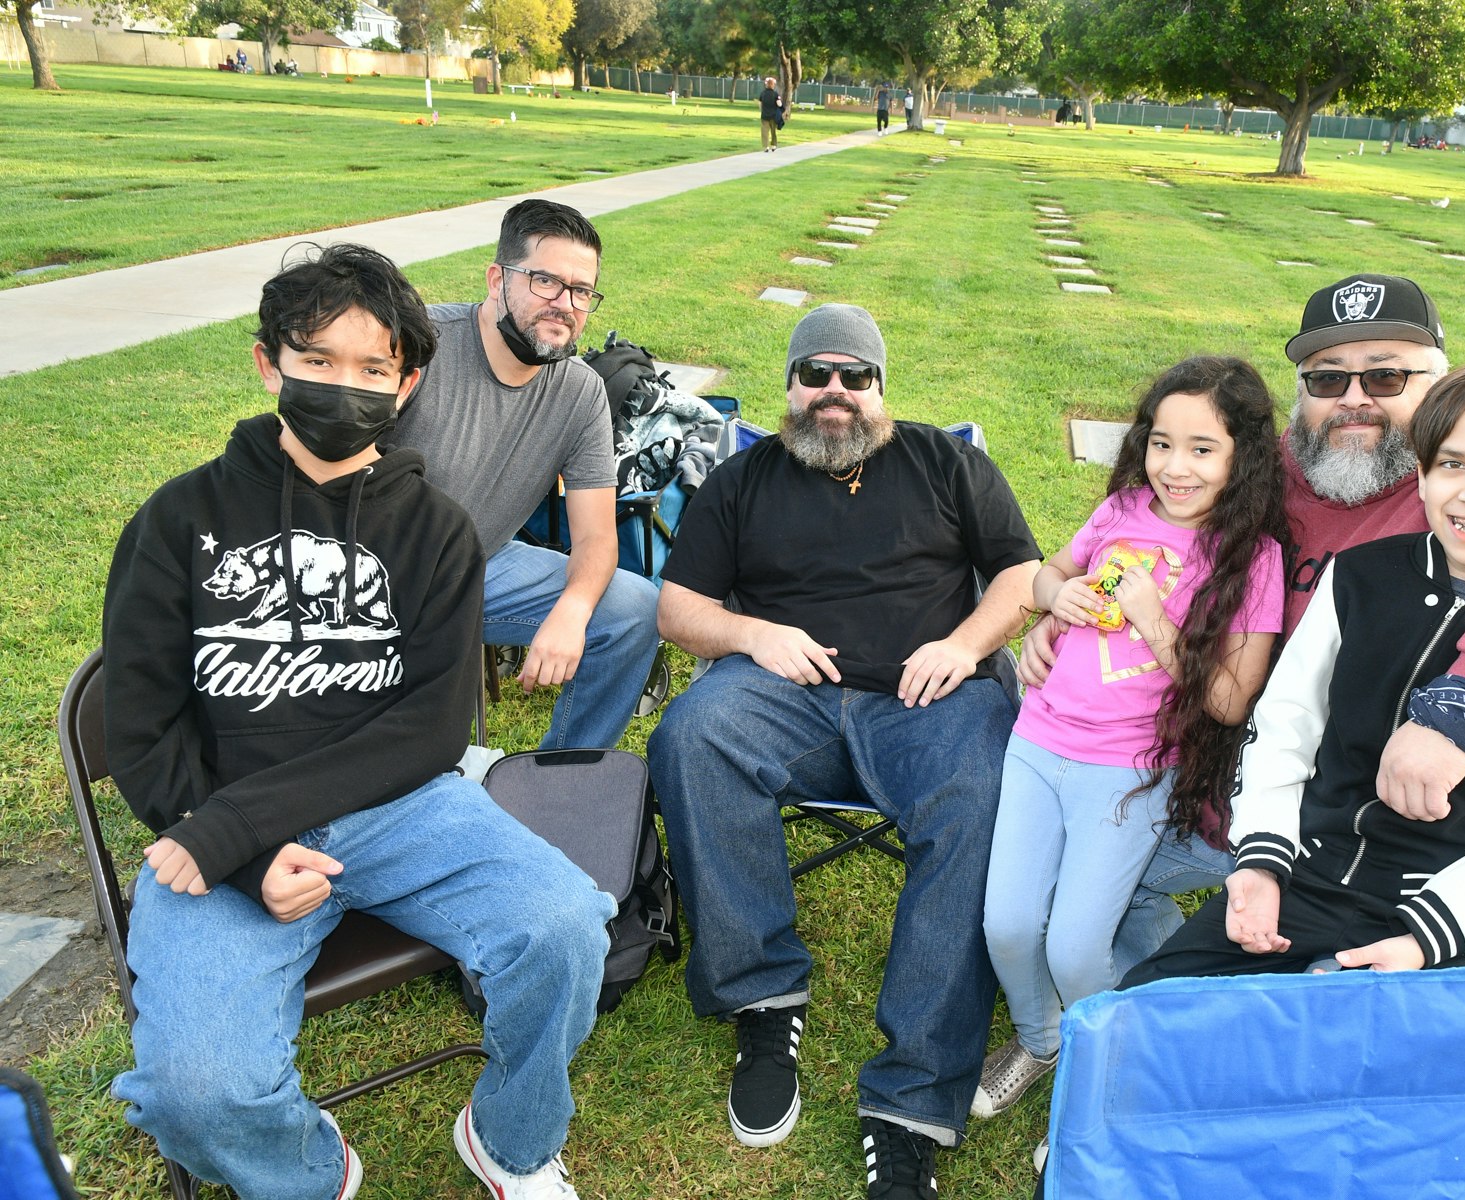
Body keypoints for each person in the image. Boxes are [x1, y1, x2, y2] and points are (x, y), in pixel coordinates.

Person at [102, 243, 612, 1200]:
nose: (347, 387)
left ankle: (510, 1140)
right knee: (194, 1094)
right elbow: (138, 721)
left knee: (566, 927)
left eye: (374, 369)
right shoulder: (177, 520)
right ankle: (307, 1169)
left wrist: (238, 831)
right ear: (268, 364)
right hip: (221, 813)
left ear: (407, 381)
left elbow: (428, 732)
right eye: (318, 361)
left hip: (400, 806)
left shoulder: (435, 532)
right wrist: (245, 848)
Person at [1019, 274, 1465, 968]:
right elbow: (1115, 547)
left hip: (1362, 836)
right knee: (1048, 886)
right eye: (1327, 379)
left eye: (1388, 376)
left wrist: (1462, 710)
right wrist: (1058, 610)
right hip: (1198, 779)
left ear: (1436, 394)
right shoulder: (1254, 473)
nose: (1354, 399)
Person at [648, 304, 1041, 1200]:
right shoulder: (741, 480)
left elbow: (1022, 576)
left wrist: (967, 646)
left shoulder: (947, 461)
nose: (835, 393)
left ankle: (909, 1102)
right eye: (815, 374)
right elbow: (678, 610)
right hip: (788, 697)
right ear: (789, 385)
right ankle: (761, 996)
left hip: (927, 695)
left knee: (981, 788)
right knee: (692, 734)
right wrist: (751, 634)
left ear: (880, 389)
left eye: (854, 376)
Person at [1121, 357, 1465, 986]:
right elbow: (1286, 727)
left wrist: (1425, 939)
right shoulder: (1360, 576)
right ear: (1420, 476)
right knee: (1144, 1009)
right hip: (1305, 873)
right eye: (1453, 464)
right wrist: (1261, 863)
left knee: (1373, 1066)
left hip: (1443, 911)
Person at [974, 356, 1287, 1120]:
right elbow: (1045, 574)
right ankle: (1044, 1039)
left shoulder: (1253, 560)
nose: (1174, 467)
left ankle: (1116, 1068)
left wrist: (1153, 616)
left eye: (1201, 448)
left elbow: (1227, 700)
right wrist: (1056, 601)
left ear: (1242, 456)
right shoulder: (1121, 511)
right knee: (1007, 926)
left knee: (1076, 949)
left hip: (1129, 771)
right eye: (1160, 442)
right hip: (1039, 740)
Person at [393, 198, 660, 752]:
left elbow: (595, 537)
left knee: (633, 609)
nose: (564, 304)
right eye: (545, 281)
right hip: (375, 573)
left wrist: (572, 611)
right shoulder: (421, 348)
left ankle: (561, 776)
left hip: (481, 566)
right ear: (497, 279)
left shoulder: (580, 391)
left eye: (581, 290)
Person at [759, 75, 785, 151]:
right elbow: (779, 104)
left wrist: (762, 110)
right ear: (773, 85)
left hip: (764, 116)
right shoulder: (775, 94)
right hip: (773, 116)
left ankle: (765, 146)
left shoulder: (762, 93)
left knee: (764, 131)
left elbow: (760, 104)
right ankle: (773, 145)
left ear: (766, 84)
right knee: (773, 131)